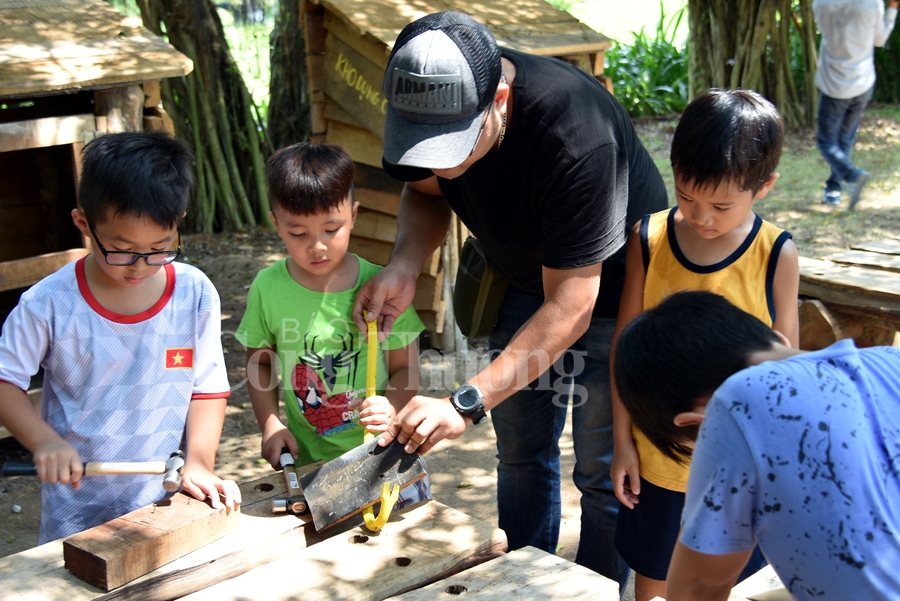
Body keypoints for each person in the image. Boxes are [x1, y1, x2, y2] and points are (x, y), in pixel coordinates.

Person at [352, 11, 668, 582]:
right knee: (520, 454)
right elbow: (424, 192)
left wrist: (462, 404)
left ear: (499, 97)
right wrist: (404, 264)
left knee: (601, 470)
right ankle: (524, 581)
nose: (441, 164)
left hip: (616, 292)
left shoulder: (576, 135)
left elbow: (572, 305)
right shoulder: (422, 108)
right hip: (526, 282)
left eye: (454, 147)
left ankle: (592, 591)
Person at [0, 132, 240, 543]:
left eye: (161, 248)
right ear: (84, 224)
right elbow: (5, 381)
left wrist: (199, 462)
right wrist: (43, 442)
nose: (140, 266)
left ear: (178, 222)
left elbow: (207, 387)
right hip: (76, 504)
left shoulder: (194, 293)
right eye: (122, 249)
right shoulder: (48, 303)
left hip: (163, 500)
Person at [608, 89, 800, 601]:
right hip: (659, 460)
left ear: (763, 188)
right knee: (654, 576)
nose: (702, 217)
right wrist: (623, 443)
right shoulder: (648, 239)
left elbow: (789, 376)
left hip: (740, 468)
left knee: (731, 584)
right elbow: (626, 350)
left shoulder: (775, 254)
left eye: (721, 204)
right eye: (687, 195)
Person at [613, 290, 900, 601]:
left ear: (696, 423)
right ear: (779, 339)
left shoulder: (736, 403)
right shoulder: (890, 360)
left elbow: (699, 587)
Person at [236, 143, 429, 504]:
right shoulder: (268, 287)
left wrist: (392, 407)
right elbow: (260, 363)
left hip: (386, 458)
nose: (317, 246)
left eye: (331, 229)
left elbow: (406, 369)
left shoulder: (382, 286)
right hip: (312, 464)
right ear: (276, 223)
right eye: (298, 234)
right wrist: (270, 424)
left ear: (354, 215)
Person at [814, 0, 898, 208]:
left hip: (834, 85)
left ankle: (852, 176)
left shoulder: (823, 5)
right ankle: (834, 189)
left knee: (826, 141)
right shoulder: (872, 4)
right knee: (844, 139)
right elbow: (880, 39)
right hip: (862, 82)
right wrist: (893, 9)